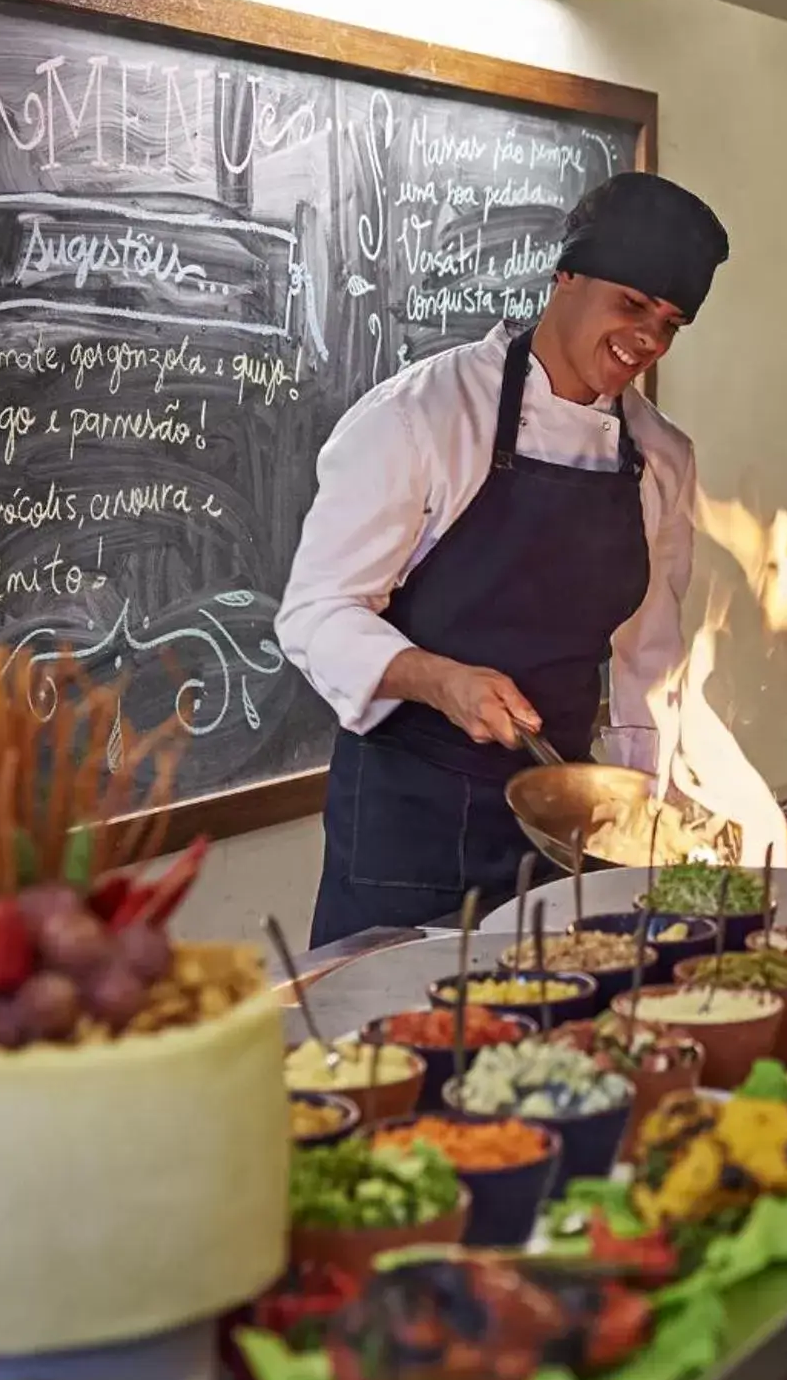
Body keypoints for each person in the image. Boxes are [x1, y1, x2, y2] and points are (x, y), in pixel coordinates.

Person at [278, 172, 727, 948]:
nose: (648, 339)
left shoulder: (659, 456)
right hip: (409, 820)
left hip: (561, 820)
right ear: (565, 278)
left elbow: (647, 657)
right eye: (631, 305)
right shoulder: (420, 419)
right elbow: (315, 613)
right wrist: (439, 679)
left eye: (670, 321)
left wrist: (639, 819)